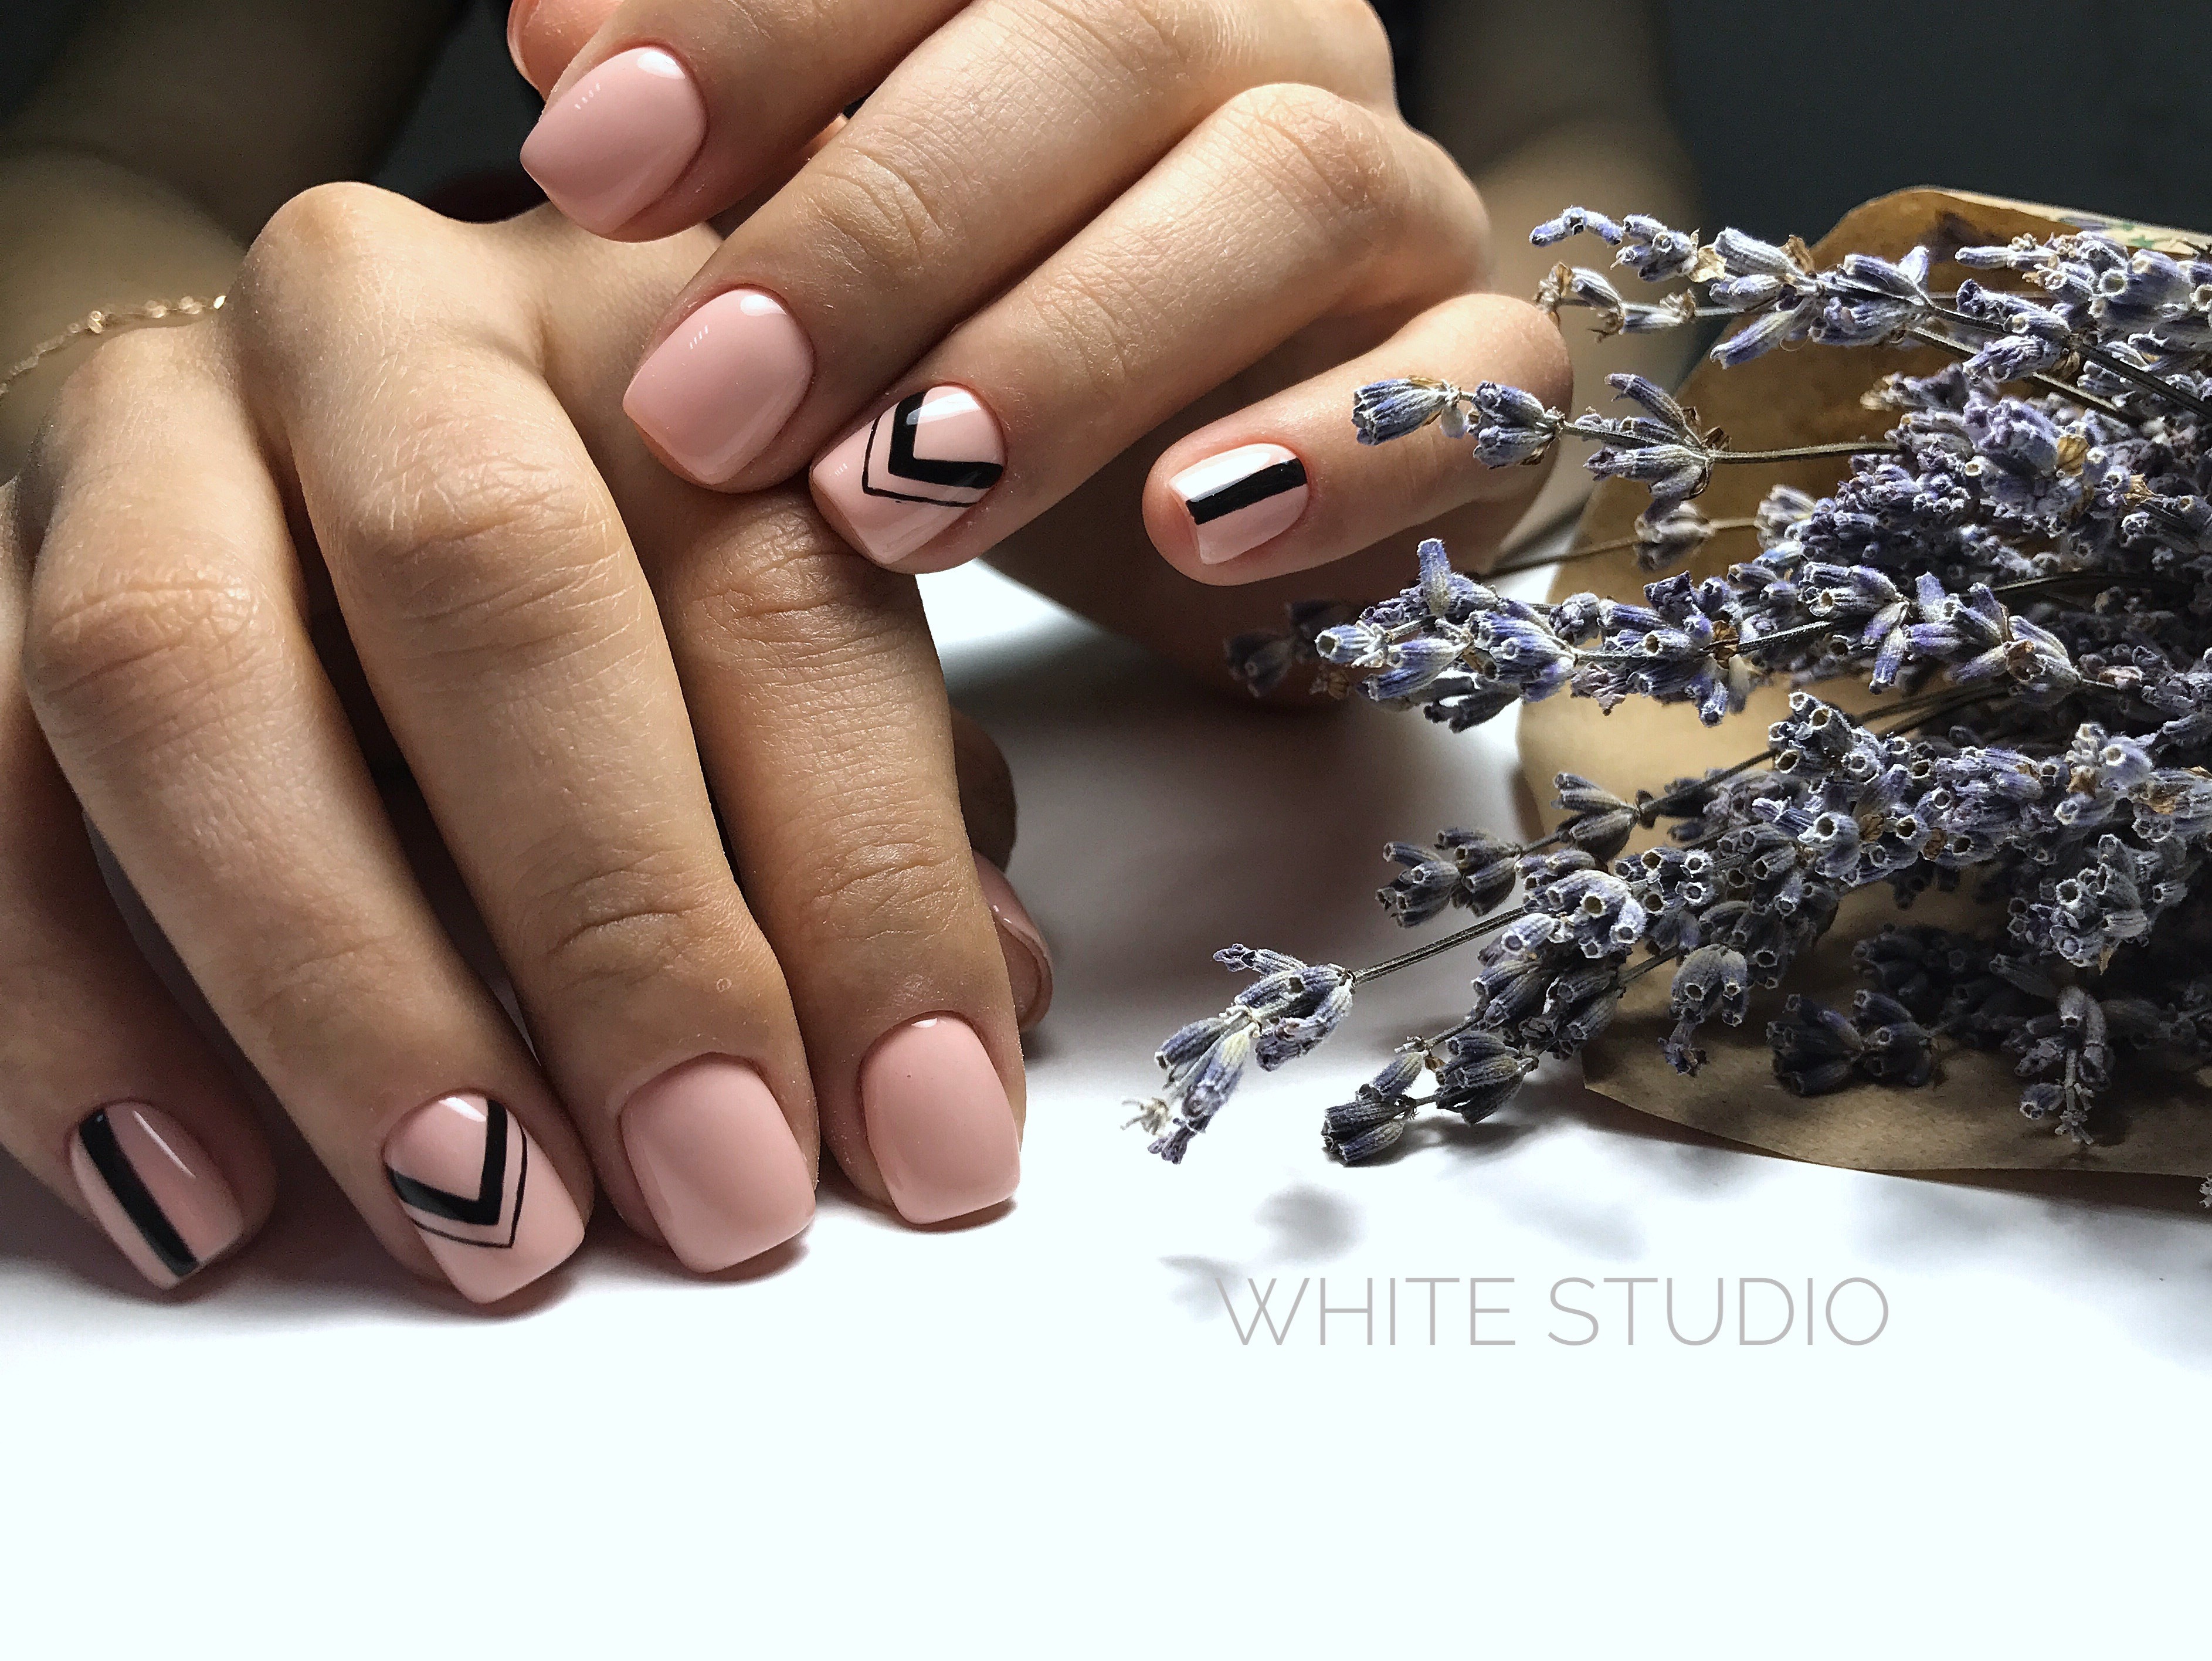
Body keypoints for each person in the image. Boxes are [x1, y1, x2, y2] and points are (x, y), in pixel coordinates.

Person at [0, 0, 1695, 1301]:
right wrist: (172, 412)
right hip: (494, 355)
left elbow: (1577, 151)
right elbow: (107, 168)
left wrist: (1443, 389)